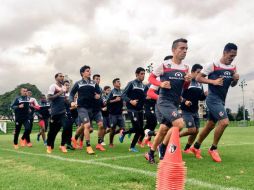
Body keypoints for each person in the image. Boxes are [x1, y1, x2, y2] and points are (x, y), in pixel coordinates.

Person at [145, 38, 191, 163]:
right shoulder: (165, 65)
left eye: (186, 48)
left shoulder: (186, 68)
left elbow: (184, 87)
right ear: (173, 50)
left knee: (163, 130)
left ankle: (151, 153)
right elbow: (150, 78)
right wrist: (160, 84)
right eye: (182, 48)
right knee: (180, 124)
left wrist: (188, 81)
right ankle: (163, 147)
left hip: (174, 103)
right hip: (164, 102)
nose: (185, 51)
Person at [191, 43, 239, 162]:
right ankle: (213, 148)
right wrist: (213, 82)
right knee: (224, 122)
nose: (232, 58)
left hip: (221, 101)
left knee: (210, 125)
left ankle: (196, 147)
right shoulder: (212, 65)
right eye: (231, 55)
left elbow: (232, 85)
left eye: (234, 56)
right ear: (224, 52)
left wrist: (235, 80)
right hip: (212, 99)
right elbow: (198, 78)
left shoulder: (233, 67)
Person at [69, 66, 102, 155]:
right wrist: (71, 102)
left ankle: (74, 138)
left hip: (91, 108)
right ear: (82, 73)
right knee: (87, 125)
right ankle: (88, 146)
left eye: (90, 70)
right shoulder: (78, 83)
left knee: (84, 126)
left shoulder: (94, 83)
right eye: (87, 71)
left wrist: (98, 96)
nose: (89, 72)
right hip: (81, 107)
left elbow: (99, 93)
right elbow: (71, 93)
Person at [180, 64, 207, 153]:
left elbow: (200, 98)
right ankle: (174, 136)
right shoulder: (187, 81)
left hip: (195, 110)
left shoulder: (200, 83)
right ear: (192, 72)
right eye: (198, 72)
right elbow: (178, 95)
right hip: (185, 110)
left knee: (196, 131)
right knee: (192, 130)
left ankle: (187, 148)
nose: (200, 74)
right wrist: (185, 101)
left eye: (201, 73)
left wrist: (205, 95)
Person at [120, 67, 146, 152]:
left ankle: (124, 133)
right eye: (141, 74)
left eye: (144, 74)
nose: (143, 75)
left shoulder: (144, 86)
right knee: (138, 129)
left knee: (140, 130)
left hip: (140, 110)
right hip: (132, 110)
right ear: (137, 74)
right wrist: (131, 101)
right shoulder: (131, 83)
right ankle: (132, 147)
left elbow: (144, 97)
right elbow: (123, 95)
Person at [46, 73, 68, 153]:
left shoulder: (64, 87)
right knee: (53, 131)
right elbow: (49, 98)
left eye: (63, 76)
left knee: (66, 127)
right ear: (56, 78)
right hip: (55, 113)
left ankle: (62, 145)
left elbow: (64, 99)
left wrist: (69, 101)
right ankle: (49, 145)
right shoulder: (53, 86)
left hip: (63, 112)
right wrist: (60, 93)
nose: (62, 77)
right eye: (60, 76)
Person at [107, 78, 125, 147]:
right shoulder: (112, 92)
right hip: (113, 114)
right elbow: (107, 102)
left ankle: (114, 133)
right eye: (118, 82)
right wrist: (115, 100)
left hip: (120, 114)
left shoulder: (122, 92)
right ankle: (111, 143)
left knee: (123, 128)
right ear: (114, 84)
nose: (119, 83)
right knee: (113, 128)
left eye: (119, 82)